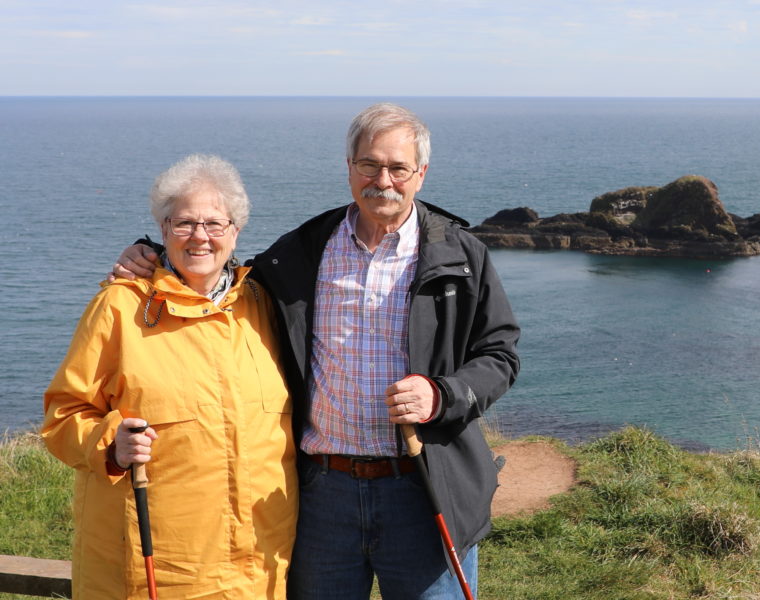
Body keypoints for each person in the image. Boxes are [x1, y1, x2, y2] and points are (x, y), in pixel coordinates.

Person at [113, 103, 521, 599]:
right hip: (321, 496)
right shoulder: (305, 248)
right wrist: (154, 253)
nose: (383, 180)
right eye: (369, 165)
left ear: (422, 174)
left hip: (424, 483)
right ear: (349, 167)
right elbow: (221, 274)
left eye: (397, 168)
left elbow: (500, 354)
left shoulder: (460, 254)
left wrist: (443, 395)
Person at [45, 154, 296, 599]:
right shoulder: (120, 307)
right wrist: (110, 444)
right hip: (156, 574)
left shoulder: (264, 304)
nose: (200, 236)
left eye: (215, 224)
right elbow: (63, 417)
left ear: (236, 231)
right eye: (184, 223)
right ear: (162, 231)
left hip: (259, 570)